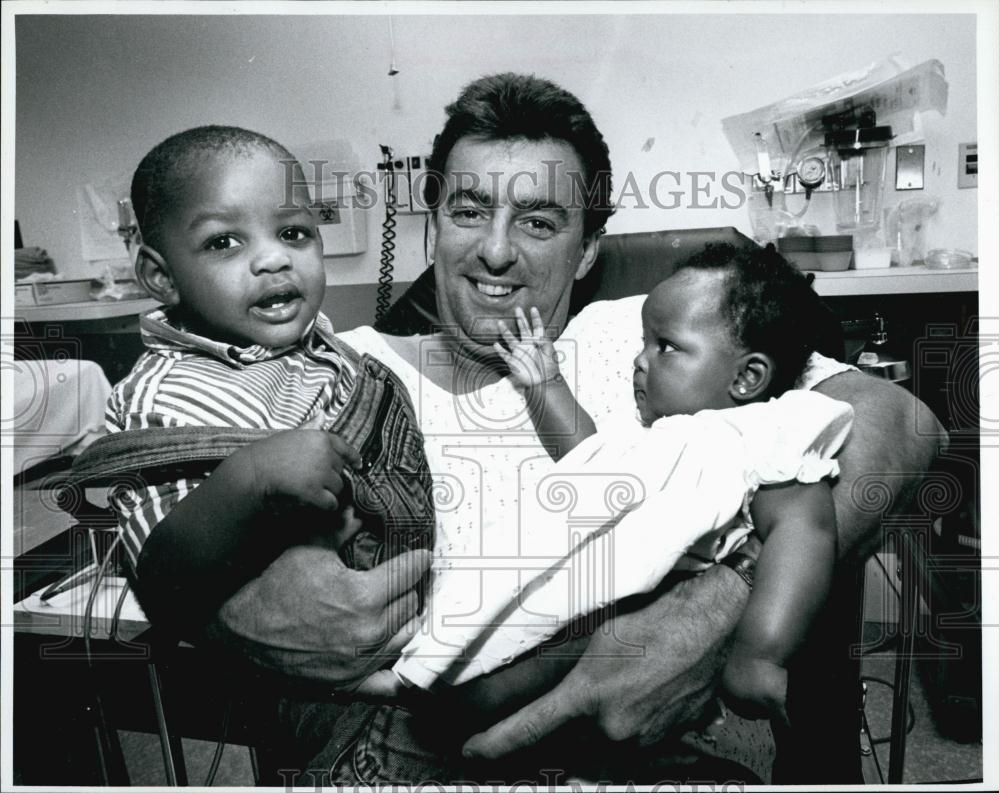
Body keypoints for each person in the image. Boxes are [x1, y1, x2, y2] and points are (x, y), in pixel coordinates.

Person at [195, 74, 945, 784]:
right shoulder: (339, 369)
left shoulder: (657, 341)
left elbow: (903, 424)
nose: (495, 249)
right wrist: (229, 613)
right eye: (467, 210)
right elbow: (177, 527)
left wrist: (716, 609)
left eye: (538, 221)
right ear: (434, 226)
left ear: (587, 248)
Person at [424, 243, 849, 724]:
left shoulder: (760, 436)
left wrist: (761, 654)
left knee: (489, 698)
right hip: (593, 598)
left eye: (665, 346)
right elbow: (589, 461)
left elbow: (807, 531)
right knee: (471, 687)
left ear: (748, 377)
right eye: (643, 343)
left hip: (650, 617)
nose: (639, 361)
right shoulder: (653, 437)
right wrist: (546, 384)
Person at [103, 125, 434, 660]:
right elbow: (161, 574)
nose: (274, 259)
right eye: (223, 242)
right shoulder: (166, 395)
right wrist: (250, 478)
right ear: (161, 277)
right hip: (306, 662)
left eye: (294, 233)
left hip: (400, 600)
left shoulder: (324, 348)